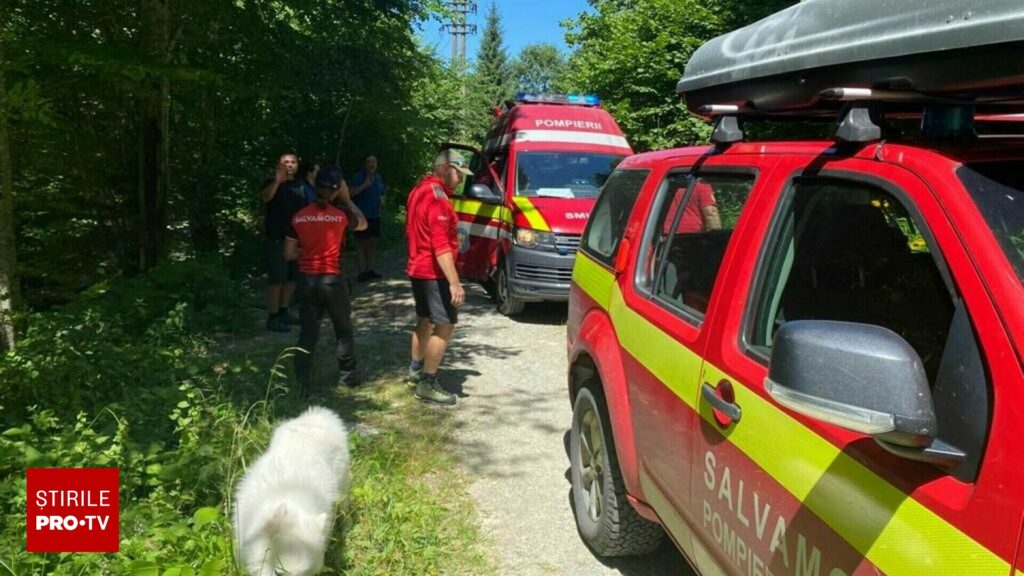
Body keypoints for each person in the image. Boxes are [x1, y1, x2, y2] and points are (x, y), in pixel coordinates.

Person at [284, 165, 368, 392]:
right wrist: (347, 198)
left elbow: (289, 253)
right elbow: (364, 224)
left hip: (306, 281)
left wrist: (307, 251)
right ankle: (347, 377)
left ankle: (302, 383)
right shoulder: (342, 216)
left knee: (308, 333)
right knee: (343, 330)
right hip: (332, 281)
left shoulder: (299, 217)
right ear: (337, 189)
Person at [405, 150, 472, 406]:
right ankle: (427, 382)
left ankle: (415, 370)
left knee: (424, 320)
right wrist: (454, 282)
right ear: (445, 168)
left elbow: (412, 231)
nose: (460, 180)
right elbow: (440, 245)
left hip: (417, 268)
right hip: (433, 272)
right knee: (444, 326)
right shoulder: (438, 200)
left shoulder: (418, 190)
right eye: (458, 173)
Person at [261, 153, 308, 332]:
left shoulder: (300, 185)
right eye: (285, 162)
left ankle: (283, 311)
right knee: (277, 279)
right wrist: (278, 181)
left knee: (292, 278)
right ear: (279, 165)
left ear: (297, 165)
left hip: (297, 238)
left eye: (293, 162)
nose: (289, 165)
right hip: (277, 238)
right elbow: (265, 198)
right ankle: (272, 317)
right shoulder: (271, 183)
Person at [349, 155, 386, 282]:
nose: (371, 164)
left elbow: (382, 193)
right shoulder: (358, 176)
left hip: (375, 215)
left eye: (373, 162)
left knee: (372, 243)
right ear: (365, 164)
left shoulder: (379, 178)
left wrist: (382, 201)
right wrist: (365, 184)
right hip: (361, 215)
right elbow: (350, 193)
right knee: (361, 243)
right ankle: (361, 272)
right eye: (369, 162)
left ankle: (370, 269)